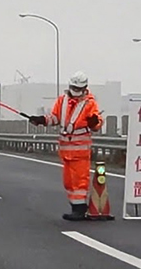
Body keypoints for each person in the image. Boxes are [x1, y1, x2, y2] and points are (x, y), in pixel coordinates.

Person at [30, 72, 103, 220]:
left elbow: (97, 122)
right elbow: (55, 118)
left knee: (80, 181)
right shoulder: (62, 101)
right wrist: (42, 120)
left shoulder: (90, 103)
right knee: (69, 182)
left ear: (85, 88)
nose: (75, 91)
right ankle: (75, 207)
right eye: (73, 87)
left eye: (78, 88)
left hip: (81, 150)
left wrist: (94, 122)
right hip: (65, 150)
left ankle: (80, 209)